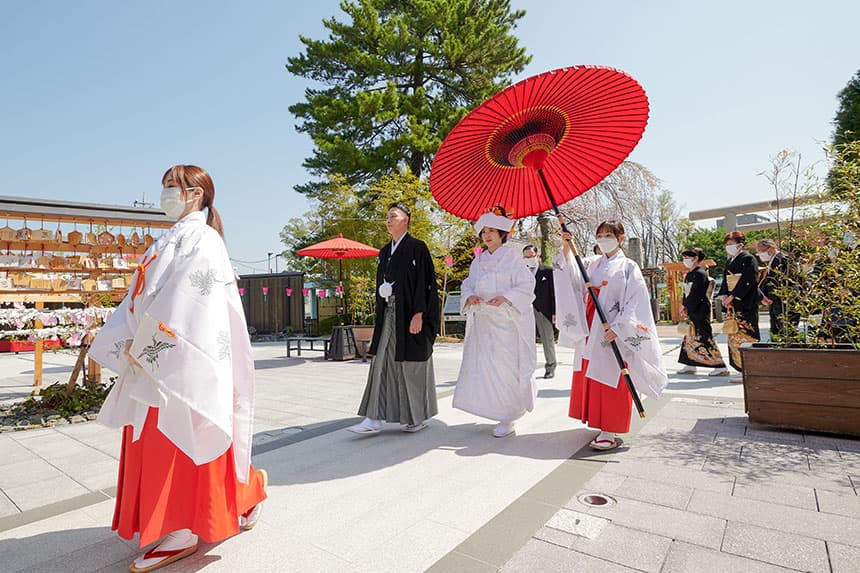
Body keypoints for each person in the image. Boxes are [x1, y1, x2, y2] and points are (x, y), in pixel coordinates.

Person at [89, 165, 267, 573]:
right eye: (165, 187)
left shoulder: (203, 240)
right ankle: (247, 492)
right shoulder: (166, 240)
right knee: (170, 435)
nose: (166, 195)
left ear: (196, 195)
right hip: (156, 353)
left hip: (181, 356)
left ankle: (183, 526)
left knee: (185, 433)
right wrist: (123, 334)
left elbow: (189, 302)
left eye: (174, 188)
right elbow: (140, 296)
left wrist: (147, 343)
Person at [554, 221, 667, 450]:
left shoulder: (628, 267)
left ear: (621, 238)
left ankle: (610, 429)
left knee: (612, 373)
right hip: (590, 325)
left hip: (612, 327)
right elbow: (569, 273)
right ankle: (598, 422)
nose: (603, 238)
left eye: (609, 235)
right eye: (600, 235)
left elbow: (637, 300)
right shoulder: (591, 263)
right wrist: (567, 246)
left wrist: (621, 327)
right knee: (592, 372)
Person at [348, 202, 440, 434]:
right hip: (388, 313)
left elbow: (425, 283)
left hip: (409, 313)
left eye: (393, 216)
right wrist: (382, 290)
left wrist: (419, 314)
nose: (388, 220)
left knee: (409, 366)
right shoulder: (384, 251)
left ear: (405, 220)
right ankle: (374, 418)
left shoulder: (418, 247)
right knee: (380, 362)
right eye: (387, 216)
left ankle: (416, 416)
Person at [453, 209, 537, 437]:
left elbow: (526, 286)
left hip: (506, 322)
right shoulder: (477, 261)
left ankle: (509, 415)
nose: (487, 235)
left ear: (502, 233)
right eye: (484, 231)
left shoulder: (513, 259)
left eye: (492, 231)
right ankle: (492, 409)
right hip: (484, 322)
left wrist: (507, 298)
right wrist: (470, 296)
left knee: (505, 368)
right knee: (486, 368)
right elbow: (467, 285)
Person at [676, 247, 729, 376]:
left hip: (699, 307)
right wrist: (684, 305)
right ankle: (690, 363)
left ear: (696, 258)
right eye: (685, 258)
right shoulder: (689, 274)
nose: (685, 260)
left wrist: (687, 306)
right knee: (690, 335)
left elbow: (697, 293)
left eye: (688, 257)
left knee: (704, 334)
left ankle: (720, 366)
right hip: (691, 306)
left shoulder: (700, 273)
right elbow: (686, 292)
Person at [717, 231, 761, 382]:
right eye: (727, 245)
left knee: (747, 334)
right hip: (732, 304)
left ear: (740, 244)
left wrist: (733, 295)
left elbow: (749, 280)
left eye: (731, 244)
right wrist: (723, 295)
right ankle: (739, 367)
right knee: (733, 335)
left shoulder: (749, 259)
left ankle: (750, 368)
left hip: (744, 302)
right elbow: (725, 280)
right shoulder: (730, 261)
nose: (728, 247)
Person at [523, 244, 556, 378]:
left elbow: (554, 293)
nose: (528, 258)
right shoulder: (521, 272)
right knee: (526, 340)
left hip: (543, 310)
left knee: (547, 339)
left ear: (537, 255)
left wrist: (554, 312)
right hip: (526, 309)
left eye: (531, 256)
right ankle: (527, 367)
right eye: (526, 256)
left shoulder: (547, 271)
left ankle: (550, 367)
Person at [755, 239, 797, 342]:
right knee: (777, 330)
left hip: (784, 301)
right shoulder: (773, 261)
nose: (760, 254)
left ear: (772, 248)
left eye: (762, 250)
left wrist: (769, 297)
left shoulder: (782, 260)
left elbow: (780, 282)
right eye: (758, 251)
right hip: (776, 302)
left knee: (785, 331)